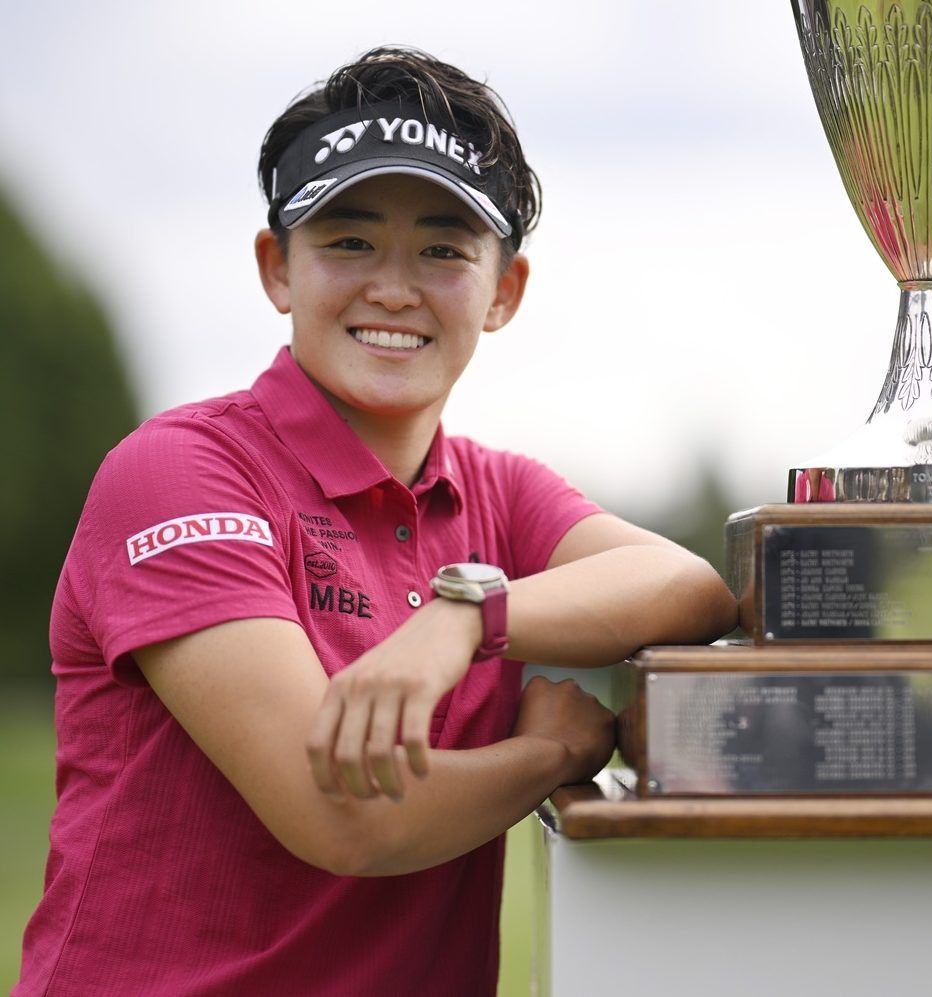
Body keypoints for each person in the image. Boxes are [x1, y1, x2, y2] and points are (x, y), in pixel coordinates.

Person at [16, 46, 736, 996]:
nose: (393, 287)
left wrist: (465, 618)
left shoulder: (499, 492)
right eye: (348, 241)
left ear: (503, 291)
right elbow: (345, 817)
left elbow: (687, 587)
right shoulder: (181, 471)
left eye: (443, 248)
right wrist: (552, 753)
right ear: (278, 268)